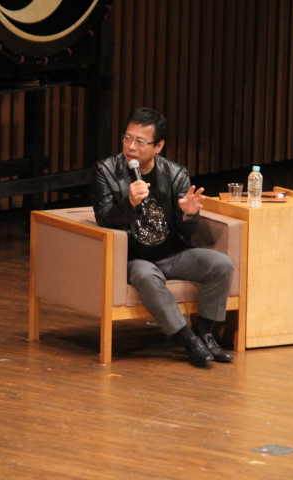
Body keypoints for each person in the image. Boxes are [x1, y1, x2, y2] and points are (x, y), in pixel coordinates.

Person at [90, 107, 234, 368]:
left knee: (221, 264)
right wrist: (129, 204)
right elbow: (104, 217)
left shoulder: (175, 173)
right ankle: (188, 340)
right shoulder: (106, 170)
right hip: (135, 258)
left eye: (140, 141)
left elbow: (187, 232)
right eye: (127, 138)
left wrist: (189, 215)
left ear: (158, 146)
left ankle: (205, 333)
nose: (131, 147)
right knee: (146, 275)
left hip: (174, 254)